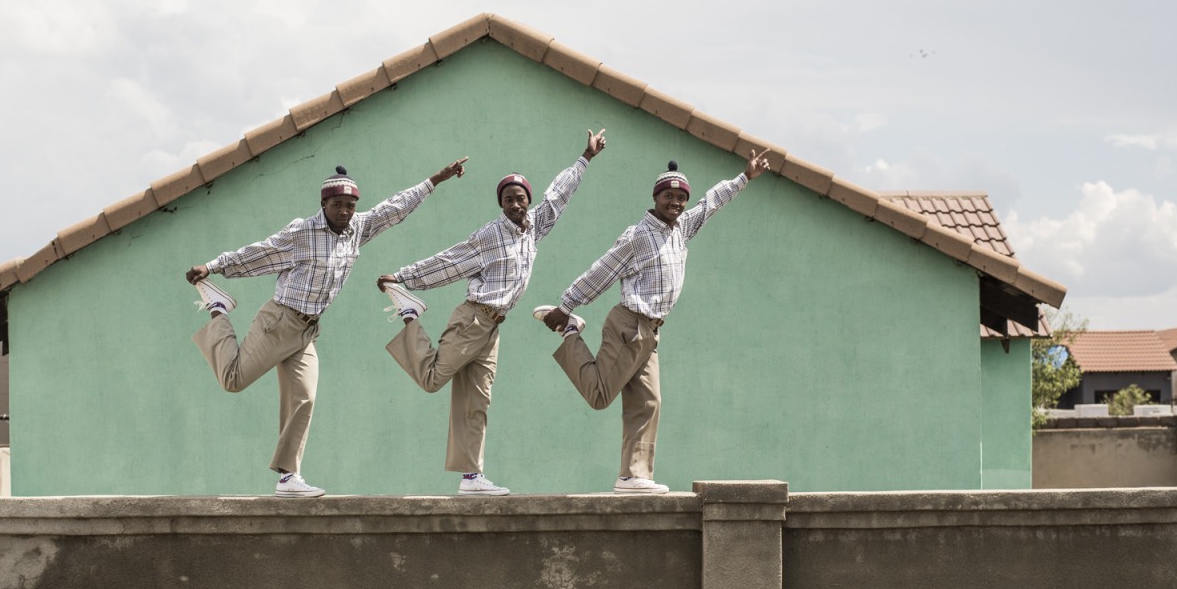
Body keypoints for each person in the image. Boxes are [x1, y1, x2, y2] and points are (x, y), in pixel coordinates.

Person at [185, 158, 468, 497]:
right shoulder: (302, 233)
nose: (345, 211)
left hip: (306, 330)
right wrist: (214, 266)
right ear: (324, 205)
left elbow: (395, 209)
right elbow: (259, 252)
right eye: (337, 205)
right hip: (279, 321)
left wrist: (436, 179)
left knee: (303, 397)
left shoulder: (358, 230)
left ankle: (288, 477)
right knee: (233, 380)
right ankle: (218, 310)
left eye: (350, 206)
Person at [376, 131, 608, 496]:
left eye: (520, 199)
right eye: (508, 200)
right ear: (500, 204)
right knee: (433, 378)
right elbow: (451, 262)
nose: (515, 205)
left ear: (527, 202)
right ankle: (409, 313)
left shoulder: (533, 229)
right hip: (472, 319)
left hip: (492, 328)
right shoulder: (490, 235)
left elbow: (558, 196)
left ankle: (471, 477)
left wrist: (585, 157)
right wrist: (404, 278)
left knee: (478, 400)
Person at [534, 151, 770, 494]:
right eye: (668, 196)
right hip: (629, 325)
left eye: (680, 198)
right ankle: (571, 333)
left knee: (649, 402)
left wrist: (745, 177)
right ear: (656, 198)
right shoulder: (638, 235)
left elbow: (710, 203)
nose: (675, 202)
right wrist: (567, 305)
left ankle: (633, 475)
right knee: (600, 396)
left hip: (651, 332)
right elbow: (603, 269)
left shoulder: (681, 229)